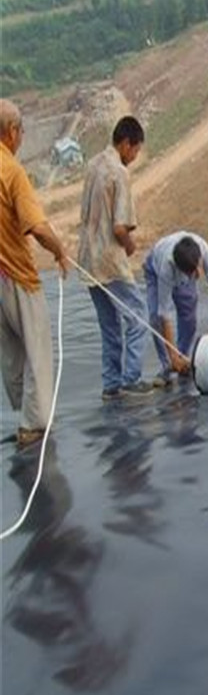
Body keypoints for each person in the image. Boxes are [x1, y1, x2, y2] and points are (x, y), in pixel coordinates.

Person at [0, 98, 70, 447]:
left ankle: (24, 410)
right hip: (16, 276)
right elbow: (36, 227)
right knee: (37, 349)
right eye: (21, 130)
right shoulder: (11, 171)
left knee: (11, 351)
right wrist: (59, 250)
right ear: (12, 132)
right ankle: (32, 425)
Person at [78, 115, 152, 401]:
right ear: (125, 144)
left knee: (109, 324)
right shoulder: (119, 172)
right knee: (138, 317)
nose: (134, 157)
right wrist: (131, 247)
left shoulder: (93, 165)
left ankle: (111, 385)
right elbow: (120, 227)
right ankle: (131, 381)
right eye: (135, 150)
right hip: (109, 260)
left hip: (88, 260)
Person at [143, 231, 208, 386]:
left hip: (183, 267)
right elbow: (165, 314)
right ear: (180, 269)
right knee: (155, 319)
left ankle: (182, 359)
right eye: (190, 273)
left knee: (189, 317)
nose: (196, 275)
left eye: (197, 268)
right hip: (154, 269)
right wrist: (172, 356)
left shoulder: (203, 250)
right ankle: (168, 366)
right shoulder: (166, 268)